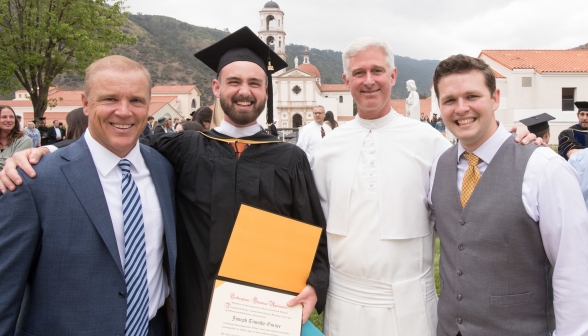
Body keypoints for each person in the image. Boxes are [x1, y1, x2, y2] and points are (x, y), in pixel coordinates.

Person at [0, 27, 329, 336]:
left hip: (261, 313)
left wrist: (315, 282)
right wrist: (44, 150)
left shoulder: (290, 159)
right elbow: (114, 142)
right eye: (233, 81)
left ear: (265, 90)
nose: (244, 91)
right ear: (216, 88)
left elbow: (313, 232)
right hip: (193, 310)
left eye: (255, 83)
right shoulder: (182, 150)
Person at [312, 38, 537, 336]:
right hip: (344, 305)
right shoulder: (324, 150)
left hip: (412, 308)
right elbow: (309, 225)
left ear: (392, 76)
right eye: (359, 73)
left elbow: (476, 172)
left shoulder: (429, 141)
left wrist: (513, 138)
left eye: (377, 71)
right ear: (345, 80)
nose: (369, 81)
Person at [0, 55, 177, 334]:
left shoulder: (164, 169)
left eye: (136, 101)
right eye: (109, 99)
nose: (124, 111)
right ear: (85, 103)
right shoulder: (35, 180)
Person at [430, 54, 588, 336]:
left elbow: (574, 271)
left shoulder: (544, 168)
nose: (461, 108)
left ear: (495, 98)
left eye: (472, 96)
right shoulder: (438, 167)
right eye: (450, 100)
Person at [0, 106, 32, 170]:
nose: (9, 120)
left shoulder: (24, 140)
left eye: (11, 117)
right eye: (4, 117)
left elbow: (15, 163)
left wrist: (9, 161)